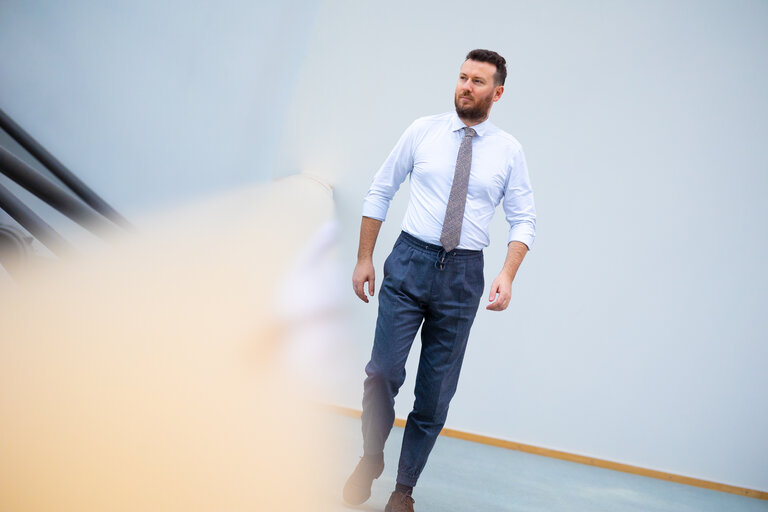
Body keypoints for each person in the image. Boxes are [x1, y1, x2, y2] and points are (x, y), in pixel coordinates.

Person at [343, 49, 536, 512]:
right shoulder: (422, 131)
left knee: (434, 394)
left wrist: (507, 275)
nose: (466, 87)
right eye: (462, 77)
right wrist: (364, 257)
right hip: (409, 261)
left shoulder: (508, 151)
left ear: (497, 92)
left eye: (478, 81)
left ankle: (403, 490)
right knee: (382, 374)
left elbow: (524, 219)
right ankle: (371, 458)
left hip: (464, 276)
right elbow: (381, 188)